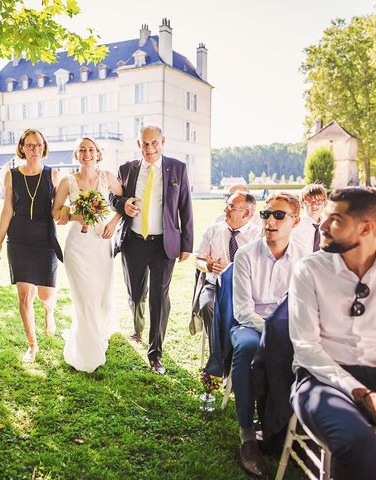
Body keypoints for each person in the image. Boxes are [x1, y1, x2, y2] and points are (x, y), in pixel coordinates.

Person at [289, 187, 376, 480]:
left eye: (335, 219)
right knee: (358, 445)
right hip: (320, 380)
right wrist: (364, 396)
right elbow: (307, 348)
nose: (322, 226)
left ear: (366, 228)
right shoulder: (309, 270)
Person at [110, 124, 193, 375]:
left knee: (159, 297)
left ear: (162, 142)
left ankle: (155, 353)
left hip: (163, 245)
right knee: (136, 295)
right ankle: (138, 326)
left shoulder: (177, 168)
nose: (149, 149)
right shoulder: (127, 170)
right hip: (133, 241)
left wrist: (186, 244)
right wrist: (124, 204)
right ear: (138, 145)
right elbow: (112, 198)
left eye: (154, 143)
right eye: (144, 144)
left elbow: (185, 207)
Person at [231, 192, 303, 478]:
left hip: (287, 328)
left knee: (302, 353)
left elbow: (304, 309)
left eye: (279, 215)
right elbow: (242, 310)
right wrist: (270, 331)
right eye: (266, 214)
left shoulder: (305, 260)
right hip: (250, 325)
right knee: (247, 348)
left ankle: (278, 428)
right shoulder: (245, 254)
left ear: (295, 221)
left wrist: (284, 333)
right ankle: (248, 435)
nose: (270, 221)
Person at [0, 129, 62, 362]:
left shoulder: (53, 174)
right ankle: (32, 345)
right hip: (19, 239)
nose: (35, 150)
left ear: (44, 147)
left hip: (45, 239)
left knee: (45, 294)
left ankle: (49, 311)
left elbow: (60, 207)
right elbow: (7, 209)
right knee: (24, 296)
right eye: (30, 145)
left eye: (38, 145)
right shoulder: (11, 175)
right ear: (21, 147)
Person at [52, 137, 122, 372]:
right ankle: (86, 349)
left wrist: (113, 222)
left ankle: (97, 332)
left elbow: (123, 203)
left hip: (101, 242)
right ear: (76, 155)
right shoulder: (67, 181)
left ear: (98, 154)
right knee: (83, 297)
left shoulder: (108, 177)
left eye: (91, 149)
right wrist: (72, 216)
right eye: (82, 150)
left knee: (100, 295)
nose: (86, 153)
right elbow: (55, 211)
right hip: (77, 247)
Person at [192, 192, 260, 337]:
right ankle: (217, 352)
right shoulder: (213, 230)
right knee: (207, 305)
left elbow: (258, 269)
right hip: (215, 286)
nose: (225, 211)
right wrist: (207, 267)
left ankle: (232, 349)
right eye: (226, 205)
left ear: (246, 213)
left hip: (246, 289)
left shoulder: (258, 236)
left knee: (245, 311)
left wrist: (230, 270)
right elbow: (198, 259)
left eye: (231, 207)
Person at [291, 183, 327, 254]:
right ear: (301, 204)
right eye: (309, 202)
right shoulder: (295, 225)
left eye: (318, 202)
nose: (314, 205)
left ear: (324, 202)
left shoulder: (327, 225)